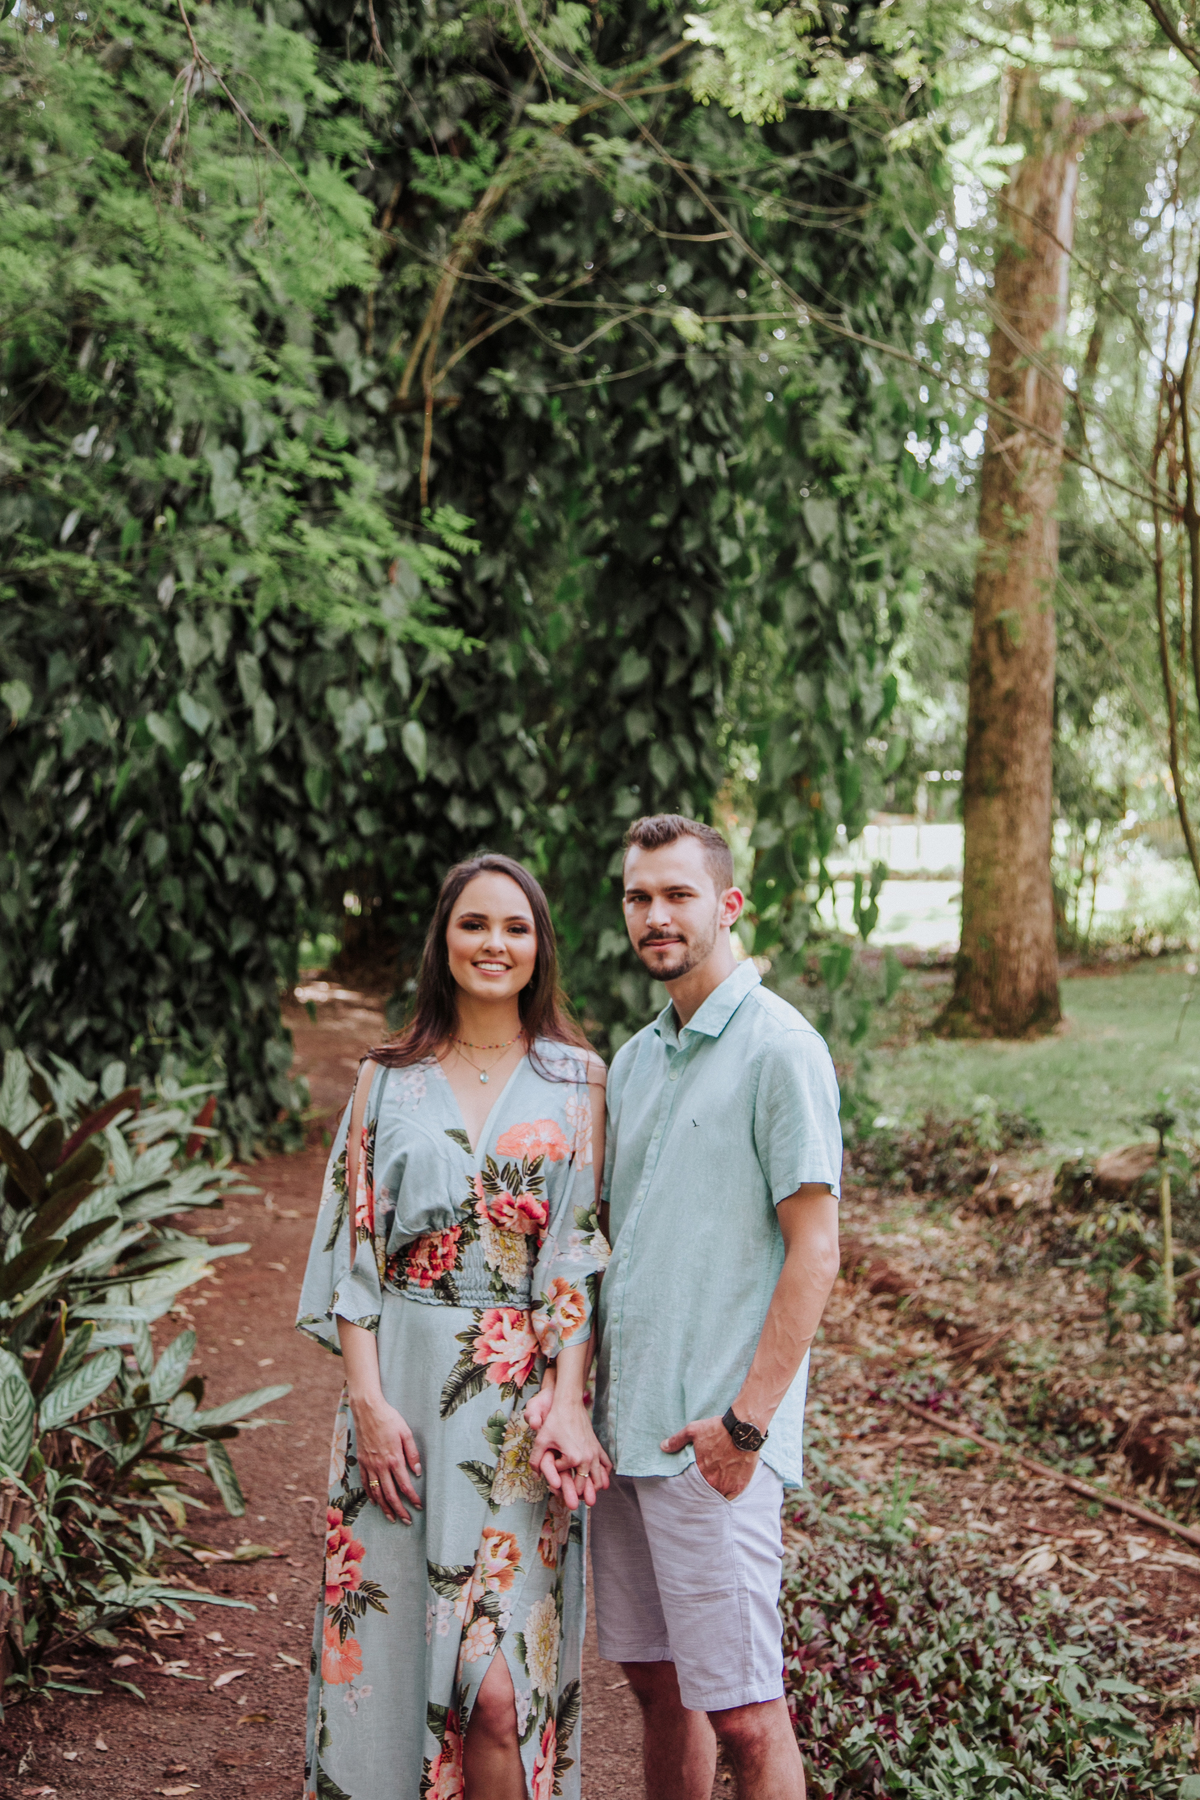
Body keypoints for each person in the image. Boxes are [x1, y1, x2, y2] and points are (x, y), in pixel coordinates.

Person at [297, 853, 610, 1800]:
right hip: (400, 1408)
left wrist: (568, 1403)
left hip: (521, 1421)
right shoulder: (385, 1079)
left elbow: (575, 1259)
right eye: (474, 923)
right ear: (444, 939)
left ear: (540, 946)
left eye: (516, 927)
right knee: (390, 1669)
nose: (494, 943)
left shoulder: (579, 1081)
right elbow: (353, 1253)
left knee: (498, 1695)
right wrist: (367, 1405)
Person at [591, 814, 843, 1800]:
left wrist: (745, 1426)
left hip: (714, 1445)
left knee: (746, 1712)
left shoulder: (781, 1048)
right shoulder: (634, 1060)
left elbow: (815, 1250)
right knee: (660, 1689)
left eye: (678, 895)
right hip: (628, 1435)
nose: (656, 915)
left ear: (728, 905)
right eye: (639, 897)